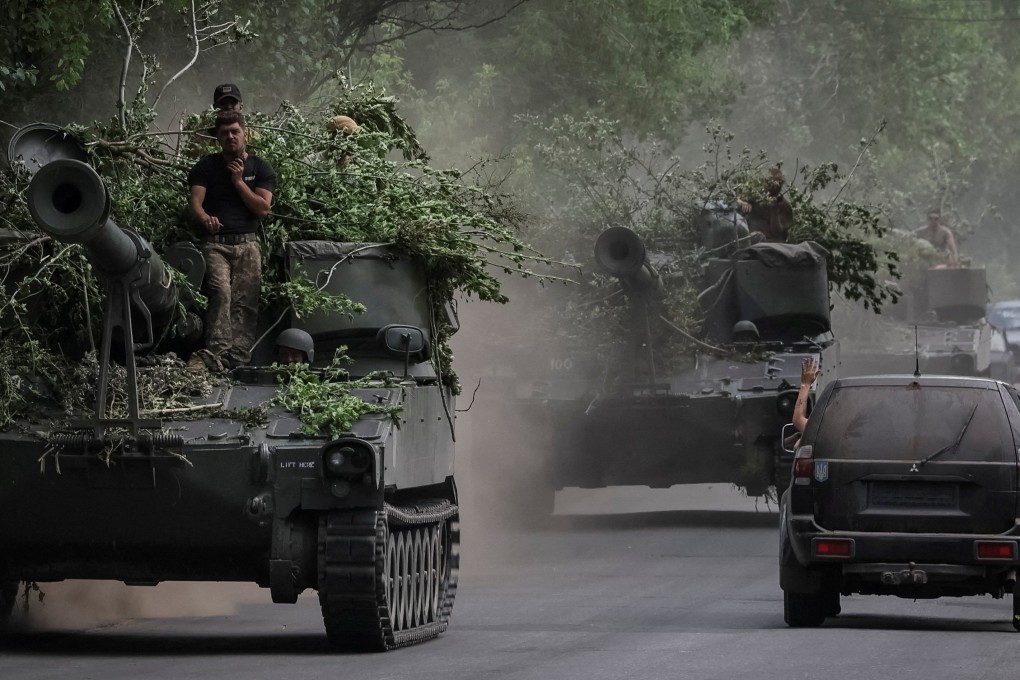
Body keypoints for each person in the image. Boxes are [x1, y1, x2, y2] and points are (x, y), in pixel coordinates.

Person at [186, 109, 277, 372]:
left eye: (235, 131)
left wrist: (238, 181)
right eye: (224, 133)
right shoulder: (206, 167)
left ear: (244, 133)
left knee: (246, 300)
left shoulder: (260, 167)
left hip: (248, 243)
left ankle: (239, 358)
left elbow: (262, 208)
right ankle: (217, 354)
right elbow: (195, 203)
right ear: (217, 137)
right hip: (215, 243)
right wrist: (205, 218)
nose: (230, 137)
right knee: (220, 293)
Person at [736, 166, 794, 242]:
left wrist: (774, 209)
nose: (773, 187)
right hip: (749, 238)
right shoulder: (755, 195)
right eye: (770, 182)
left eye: (777, 184)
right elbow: (736, 198)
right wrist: (743, 203)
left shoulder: (785, 206)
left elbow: (776, 232)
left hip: (771, 243)